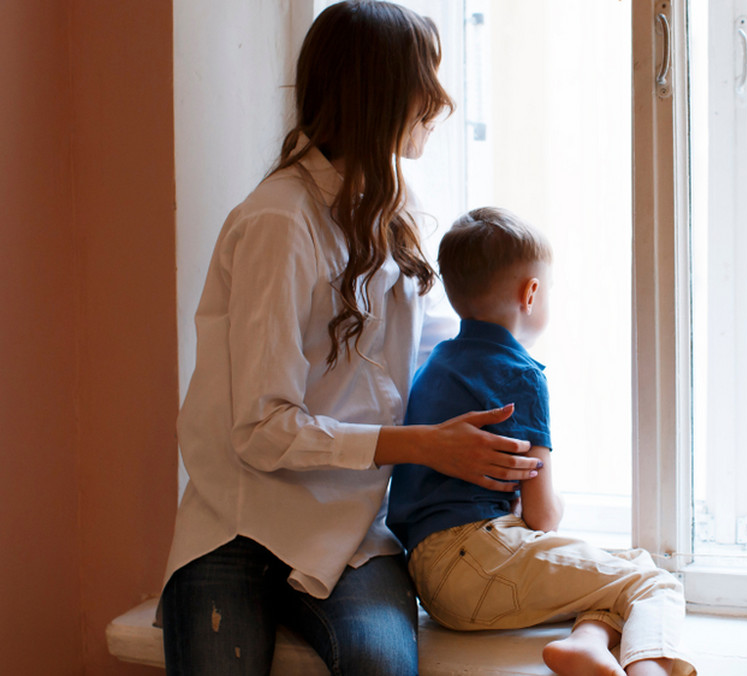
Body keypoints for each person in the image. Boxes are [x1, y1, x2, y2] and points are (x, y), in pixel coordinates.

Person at [159, 4, 542, 675]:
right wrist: (422, 445)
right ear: (380, 91)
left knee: (381, 666)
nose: (443, 101)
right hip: (236, 524)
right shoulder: (279, 223)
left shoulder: (398, 210)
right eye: (427, 77)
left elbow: (420, 358)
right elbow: (260, 430)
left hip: (352, 533)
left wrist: (513, 378)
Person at [387, 207, 696, 676]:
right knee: (654, 582)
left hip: (429, 581)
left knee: (623, 567)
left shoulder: (434, 364)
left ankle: (587, 643)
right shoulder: (522, 376)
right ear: (532, 293)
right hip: (481, 560)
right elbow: (542, 516)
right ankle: (648, 672)